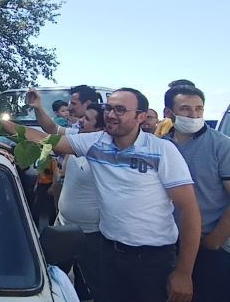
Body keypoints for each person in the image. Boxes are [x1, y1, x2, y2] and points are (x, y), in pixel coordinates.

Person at [11, 88, 201, 302]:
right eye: (108, 108)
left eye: (120, 110)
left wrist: (184, 273)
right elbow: (44, 138)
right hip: (109, 254)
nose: (111, 114)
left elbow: (189, 212)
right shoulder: (95, 143)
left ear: (140, 116)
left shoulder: (162, 150)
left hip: (153, 259)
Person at [162, 85, 230, 302]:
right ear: (168, 113)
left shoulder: (221, 146)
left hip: (205, 245)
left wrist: (213, 242)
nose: (193, 115)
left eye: (198, 109)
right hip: (165, 245)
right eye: (185, 109)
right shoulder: (161, 146)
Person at [55, 103, 106, 301]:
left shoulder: (104, 153)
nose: (80, 121)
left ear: (100, 130)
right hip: (62, 226)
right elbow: (49, 133)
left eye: (87, 119)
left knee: (89, 286)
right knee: (55, 278)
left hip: (91, 235)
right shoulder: (75, 142)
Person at [28, 85, 100, 135]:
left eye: (73, 103)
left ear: (87, 103)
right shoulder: (78, 128)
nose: (69, 108)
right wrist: (37, 107)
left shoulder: (100, 135)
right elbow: (52, 129)